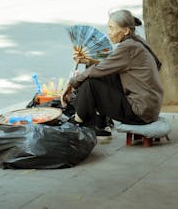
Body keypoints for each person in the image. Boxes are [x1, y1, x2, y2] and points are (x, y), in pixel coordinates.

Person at [61, 9, 164, 139]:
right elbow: (107, 65)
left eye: (112, 28)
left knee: (90, 82)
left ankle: (77, 122)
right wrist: (89, 61)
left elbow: (100, 69)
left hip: (140, 112)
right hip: (149, 107)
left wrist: (72, 83)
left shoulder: (128, 47)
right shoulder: (136, 41)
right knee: (95, 73)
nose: (109, 33)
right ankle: (100, 125)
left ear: (125, 31)